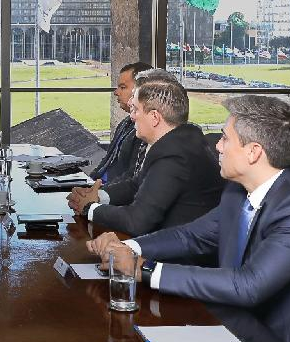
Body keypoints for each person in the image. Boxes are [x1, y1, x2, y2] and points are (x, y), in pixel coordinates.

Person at [89, 96, 290, 342]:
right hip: (247, 324)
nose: (217, 147)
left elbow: (249, 285)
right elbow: (192, 236)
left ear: (253, 152)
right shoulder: (239, 190)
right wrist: (126, 247)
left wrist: (144, 268)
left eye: (226, 139)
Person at [67, 74, 223, 236]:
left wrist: (89, 207)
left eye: (136, 109)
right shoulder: (179, 142)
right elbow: (136, 184)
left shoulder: (175, 156)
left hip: (175, 253)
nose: (132, 116)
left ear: (154, 117)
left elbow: (137, 221)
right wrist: (99, 196)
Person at [90, 61, 153, 184]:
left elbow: (131, 179)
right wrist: (89, 182)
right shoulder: (125, 123)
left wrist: (101, 193)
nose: (116, 92)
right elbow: (107, 161)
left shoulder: (145, 131)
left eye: (123, 87)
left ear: (142, 90)